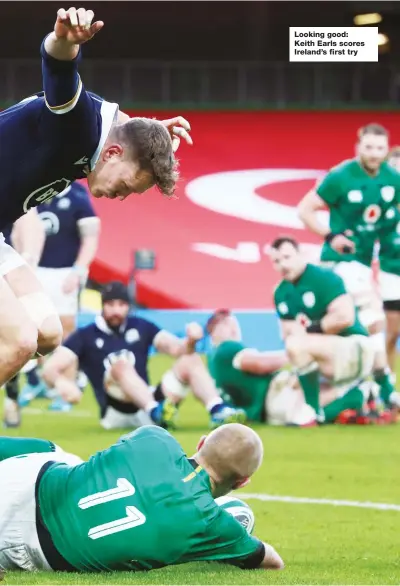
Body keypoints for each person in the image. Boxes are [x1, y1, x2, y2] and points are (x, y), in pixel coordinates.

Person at [0, 7, 192, 390]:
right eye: (125, 187)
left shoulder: (108, 139)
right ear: (114, 155)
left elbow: (122, 128)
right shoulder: (79, 122)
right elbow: (58, 67)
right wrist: (65, 41)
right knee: (19, 340)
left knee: (47, 334)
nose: (119, 197)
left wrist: (151, 130)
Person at [0, 424, 284, 572]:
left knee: (58, 453)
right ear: (243, 482)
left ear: (201, 443)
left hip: (24, 482)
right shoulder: (214, 526)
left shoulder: (155, 438)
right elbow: (272, 561)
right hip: (32, 553)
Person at [43, 281, 246, 429]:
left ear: (128, 306)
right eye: (110, 305)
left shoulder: (141, 326)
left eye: (121, 305)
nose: (116, 310)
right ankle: (155, 413)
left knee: (190, 359)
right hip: (117, 411)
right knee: (120, 365)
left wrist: (191, 341)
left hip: (151, 400)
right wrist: (63, 384)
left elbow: (175, 349)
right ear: (102, 306)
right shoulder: (85, 335)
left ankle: (217, 409)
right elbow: (50, 368)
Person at [297, 123, 399, 406]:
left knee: (352, 327)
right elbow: (304, 209)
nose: (374, 153)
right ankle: (384, 386)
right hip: (339, 262)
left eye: (380, 148)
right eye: (369, 147)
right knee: (374, 316)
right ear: (358, 148)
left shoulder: (392, 179)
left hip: (364, 264)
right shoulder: (341, 175)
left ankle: (353, 387)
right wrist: (331, 235)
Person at [270, 237, 383, 424]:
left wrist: (312, 330)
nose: (283, 264)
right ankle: (355, 395)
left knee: (296, 345)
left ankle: (313, 411)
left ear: (300, 255)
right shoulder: (280, 293)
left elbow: (345, 317)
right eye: (276, 261)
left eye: (287, 257)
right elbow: (287, 333)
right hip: (324, 358)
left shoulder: (323, 278)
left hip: (354, 347)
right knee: (284, 413)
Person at [203, 309, 381, 426]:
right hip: (276, 394)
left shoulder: (212, 362)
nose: (233, 327)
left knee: (310, 396)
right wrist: (294, 353)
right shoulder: (227, 348)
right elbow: (260, 364)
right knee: (320, 391)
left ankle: (350, 405)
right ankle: (361, 393)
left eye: (233, 322)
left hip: (265, 414)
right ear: (213, 331)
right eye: (226, 323)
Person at [19, 181, 101, 408]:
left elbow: (90, 237)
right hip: (35, 269)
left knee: (66, 332)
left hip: (63, 273)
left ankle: (67, 384)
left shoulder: (76, 195)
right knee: (36, 329)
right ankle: (41, 380)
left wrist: (79, 270)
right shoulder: (36, 188)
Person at [377, 146, 400, 373]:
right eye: (393, 167)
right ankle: (388, 390)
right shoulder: (381, 204)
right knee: (393, 333)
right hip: (393, 274)